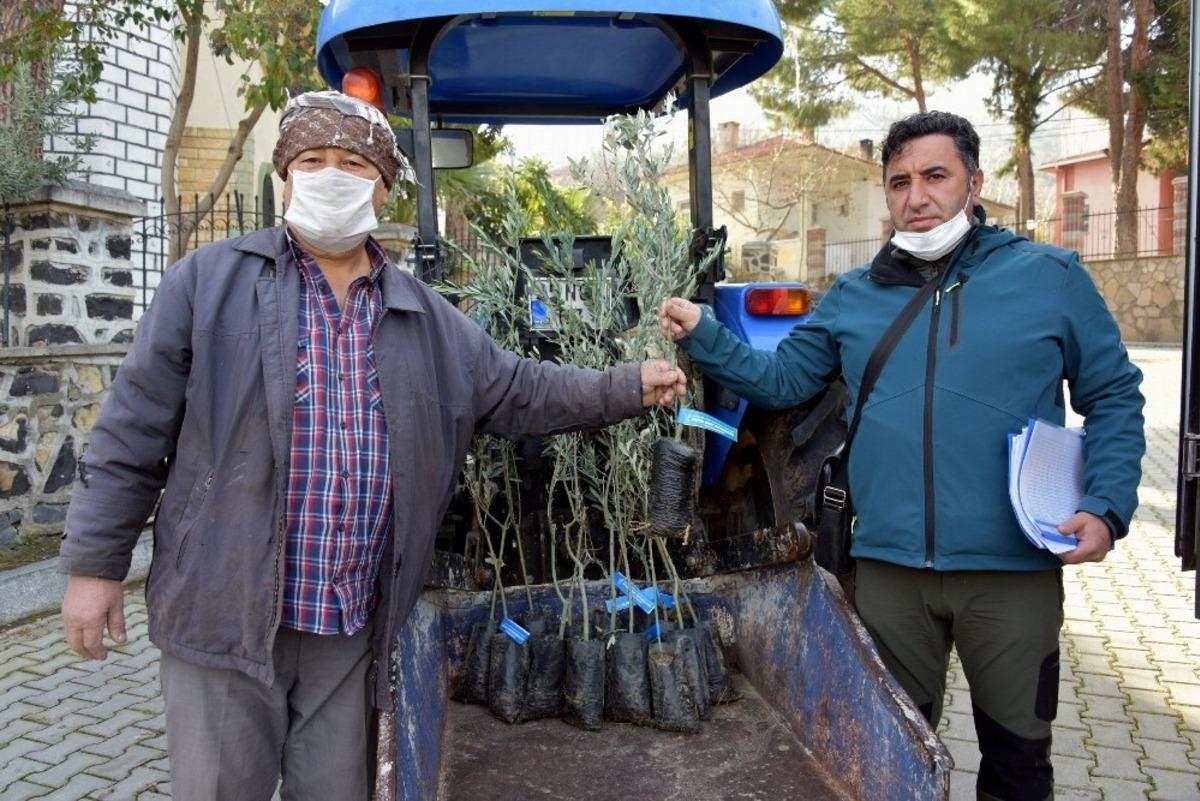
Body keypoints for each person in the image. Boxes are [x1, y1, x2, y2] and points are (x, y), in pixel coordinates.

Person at [58, 90, 687, 801]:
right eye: (312, 160)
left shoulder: (425, 317)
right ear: (284, 179)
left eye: (353, 163)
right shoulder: (209, 283)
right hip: (225, 619)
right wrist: (94, 565)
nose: (331, 175)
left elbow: (521, 391)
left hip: (349, 628)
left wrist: (629, 385)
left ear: (383, 187)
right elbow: (131, 428)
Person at [660, 111, 1145, 801]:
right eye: (898, 183)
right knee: (887, 761)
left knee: (1018, 765)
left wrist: (1104, 505)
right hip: (888, 576)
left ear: (974, 183)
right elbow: (783, 381)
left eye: (935, 176)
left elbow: (1115, 394)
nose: (916, 196)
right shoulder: (854, 296)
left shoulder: (1049, 278)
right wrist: (706, 332)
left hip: (1010, 573)